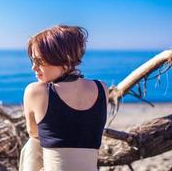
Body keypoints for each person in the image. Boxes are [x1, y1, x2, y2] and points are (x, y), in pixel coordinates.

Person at [19, 25, 108, 171]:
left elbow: (34, 133)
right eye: (33, 61)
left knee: (32, 143)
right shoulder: (101, 88)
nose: (34, 68)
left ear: (64, 58)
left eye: (40, 61)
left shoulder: (35, 91)